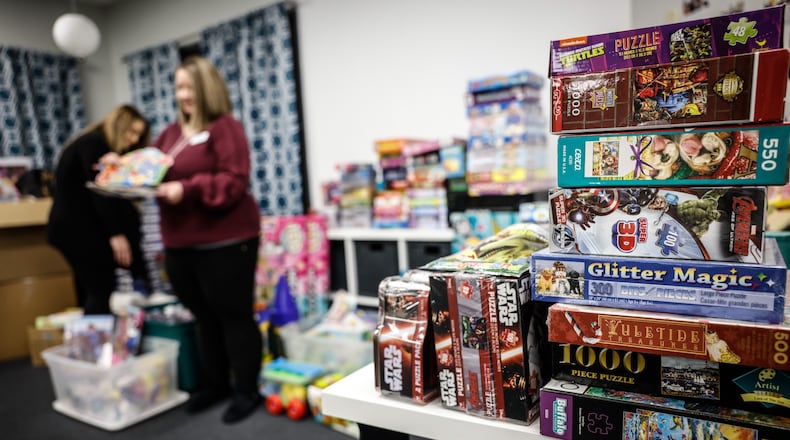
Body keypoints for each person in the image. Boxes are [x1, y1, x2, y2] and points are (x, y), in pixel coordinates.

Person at [152, 55, 262, 424]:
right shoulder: (169, 135)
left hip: (226, 242)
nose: (181, 94)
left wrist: (186, 190)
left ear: (205, 88)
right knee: (203, 318)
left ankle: (246, 390)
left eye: (188, 87)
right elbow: (150, 169)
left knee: (234, 318)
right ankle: (215, 384)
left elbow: (234, 181)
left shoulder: (225, 128)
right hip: (181, 245)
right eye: (178, 87)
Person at [47, 104, 151, 315]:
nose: (133, 140)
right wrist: (116, 233)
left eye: (138, 136)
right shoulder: (95, 145)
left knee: (90, 288)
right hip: (79, 229)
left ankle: (92, 339)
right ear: (119, 125)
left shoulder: (89, 143)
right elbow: (100, 192)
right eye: (131, 132)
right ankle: (97, 341)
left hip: (71, 229)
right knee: (100, 290)